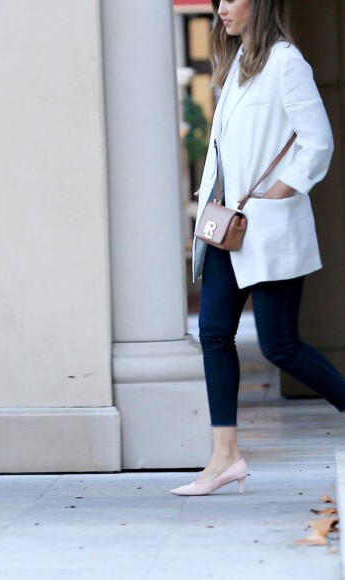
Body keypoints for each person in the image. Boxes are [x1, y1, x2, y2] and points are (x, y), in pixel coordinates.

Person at [171, 0, 345, 496]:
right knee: (214, 335)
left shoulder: (286, 61)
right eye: (217, 1)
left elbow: (318, 141)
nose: (222, 8)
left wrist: (283, 189)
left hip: (267, 228)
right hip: (227, 228)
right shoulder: (233, 68)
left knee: (280, 345)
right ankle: (224, 457)